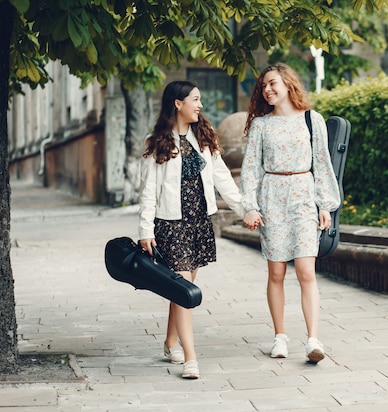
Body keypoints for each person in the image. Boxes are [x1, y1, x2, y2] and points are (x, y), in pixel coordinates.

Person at [138, 80, 244, 379]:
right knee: (185, 288)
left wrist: (245, 208)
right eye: (194, 99)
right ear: (177, 103)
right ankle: (190, 358)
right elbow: (147, 191)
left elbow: (222, 178)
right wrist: (145, 230)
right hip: (171, 225)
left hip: (199, 223)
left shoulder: (204, 138)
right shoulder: (156, 142)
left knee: (180, 289)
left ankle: (171, 341)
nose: (199, 105)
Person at [240, 63, 341, 363]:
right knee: (276, 272)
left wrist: (325, 205)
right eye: (263, 87)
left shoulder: (312, 119)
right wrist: (250, 206)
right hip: (272, 196)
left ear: (287, 83)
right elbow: (249, 169)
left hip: (303, 196)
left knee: (306, 271)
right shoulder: (261, 125)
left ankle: (313, 340)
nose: (267, 90)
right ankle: (280, 337)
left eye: (272, 83)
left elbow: (323, 164)